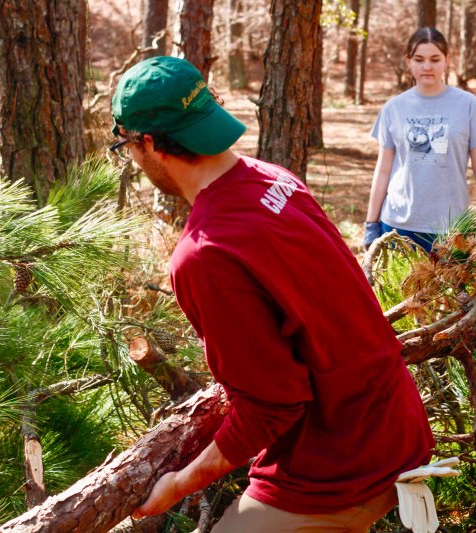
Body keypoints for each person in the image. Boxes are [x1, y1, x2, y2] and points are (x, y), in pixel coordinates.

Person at [110, 56, 434, 532]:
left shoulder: (204, 253)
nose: (133, 160)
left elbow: (272, 404)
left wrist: (179, 483)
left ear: (150, 144)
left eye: (127, 147)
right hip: (398, 426)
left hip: (340, 467)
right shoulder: (273, 178)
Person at [363, 27, 476, 252]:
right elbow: (383, 169)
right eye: (419, 59)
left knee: (454, 289)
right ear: (408, 61)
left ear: (447, 60)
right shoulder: (393, 108)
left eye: (435, 59)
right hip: (398, 226)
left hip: (453, 229)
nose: (427, 66)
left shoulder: (468, 105)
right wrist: (371, 223)